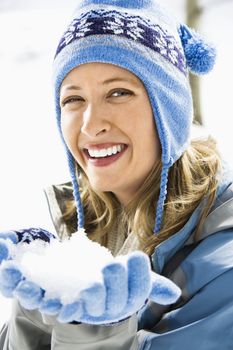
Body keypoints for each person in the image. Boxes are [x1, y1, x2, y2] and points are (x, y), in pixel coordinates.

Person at [1, 0, 233, 349]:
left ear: (168, 110)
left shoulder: (224, 267)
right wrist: (37, 307)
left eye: (118, 92)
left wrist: (95, 332)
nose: (91, 125)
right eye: (73, 99)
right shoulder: (88, 228)